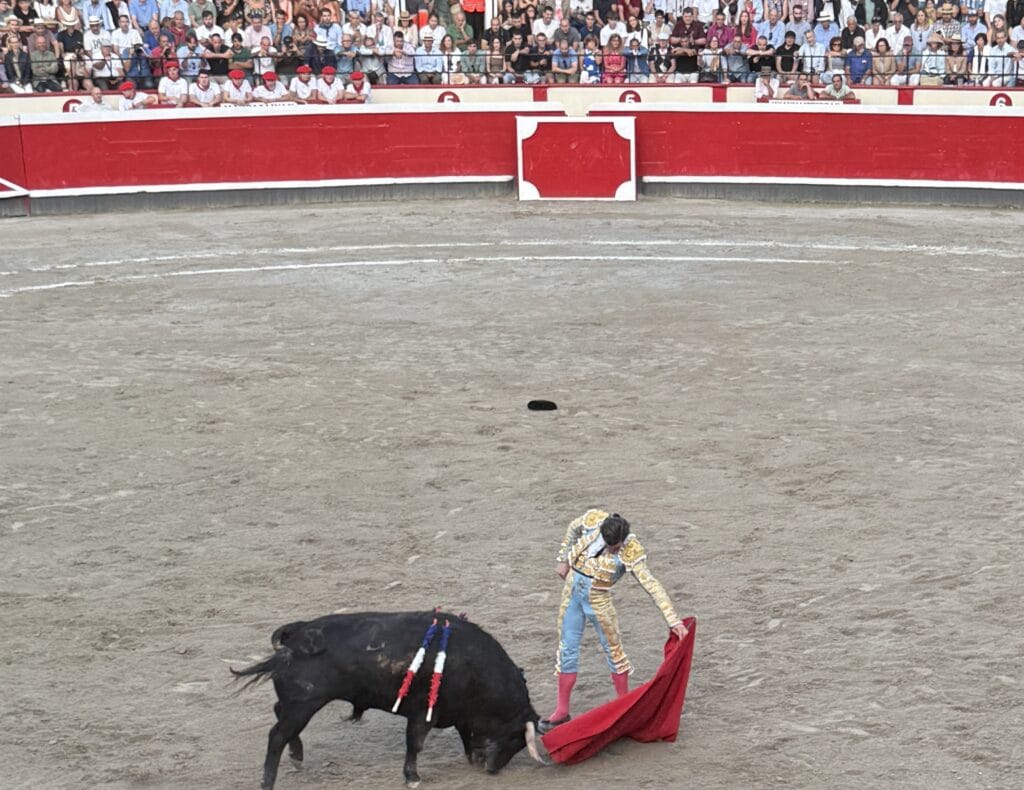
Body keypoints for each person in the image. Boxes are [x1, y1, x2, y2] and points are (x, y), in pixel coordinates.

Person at [540, 511, 688, 733]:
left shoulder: (630, 549)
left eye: (615, 547)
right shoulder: (594, 521)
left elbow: (652, 585)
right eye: (610, 545)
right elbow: (572, 527)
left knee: (614, 651)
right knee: (566, 649)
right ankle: (561, 711)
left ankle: (624, 706)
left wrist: (673, 620)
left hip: (598, 601)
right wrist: (563, 560)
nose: (611, 550)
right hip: (571, 593)